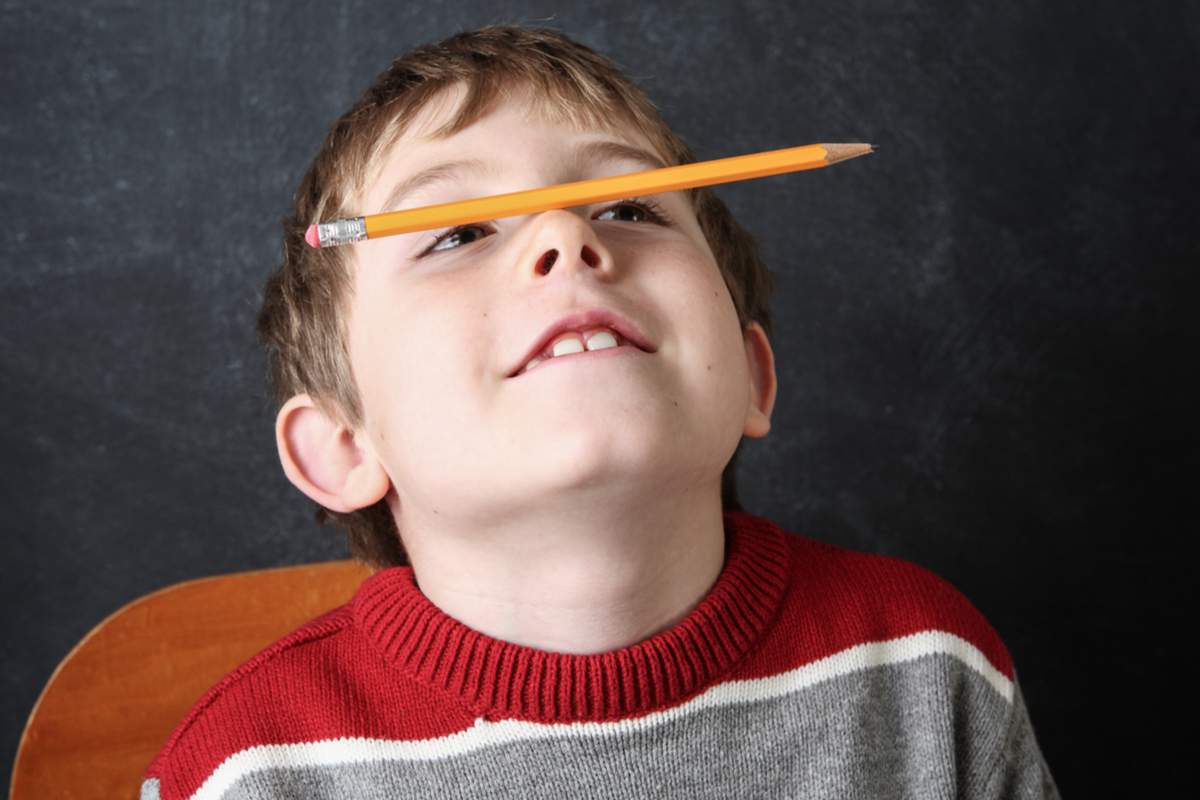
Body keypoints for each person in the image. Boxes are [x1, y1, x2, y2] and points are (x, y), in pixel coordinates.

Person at [140, 23, 1059, 799]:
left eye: (627, 206)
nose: (565, 237)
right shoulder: (252, 771)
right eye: (458, 232)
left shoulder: (932, 670)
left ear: (750, 374)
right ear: (341, 444)